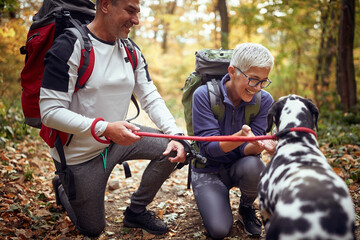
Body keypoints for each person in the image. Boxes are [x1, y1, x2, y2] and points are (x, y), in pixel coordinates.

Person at [39, 0, 186, 237]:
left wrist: (176, 134)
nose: (136, 20)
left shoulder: (130, 49)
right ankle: (65, 187)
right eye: (130, 10)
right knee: (93, 229)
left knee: (174, 149)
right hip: (80, 156)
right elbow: (50, 111)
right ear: (105, 5)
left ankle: (136, 211)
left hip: (118, 138)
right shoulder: (70, 45)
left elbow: (149, 96)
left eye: (138, 12)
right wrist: (105, 127)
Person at [191, 43, 277, 239]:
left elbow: (249, 150)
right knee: (220, 230)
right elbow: (210, 148)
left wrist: (261, 144)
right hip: (208, 169)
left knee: (255, 166)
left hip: (239, 165)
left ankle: (246, 207)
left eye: (264, 81)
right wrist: (240, 137)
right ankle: (213, 198)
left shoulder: (264, 100)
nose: (258, 88)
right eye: (254, 80)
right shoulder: (203, 95)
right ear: (232, 72)